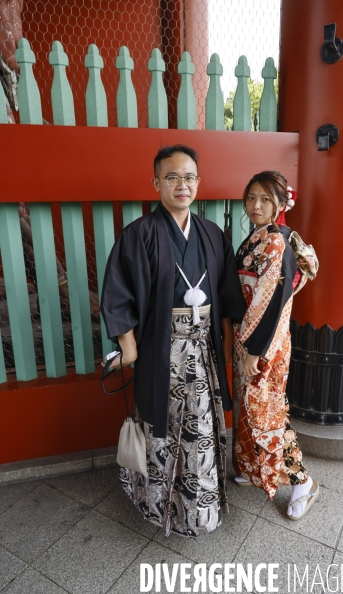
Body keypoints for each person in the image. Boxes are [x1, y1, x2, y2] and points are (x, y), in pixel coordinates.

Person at [100, 144, 246, 538]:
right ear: (156, 183)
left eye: (190, 177)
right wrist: (129, 348)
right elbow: (118, 294)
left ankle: (200, 511)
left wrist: (233, 352)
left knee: (200, 433)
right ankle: (161, 507)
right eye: (172, 177)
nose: (183, 185)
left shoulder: (213, 235)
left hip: (204, 351)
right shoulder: (139, 234)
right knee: (160, 430)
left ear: (199, 182)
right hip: (162, 351)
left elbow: (229, 300)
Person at [232, 170, 319, 521]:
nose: (256, 205)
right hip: (252, 340)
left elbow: (273, 298)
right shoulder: (257, 237)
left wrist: (255, 349)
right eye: (251, 197)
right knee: (251, 408)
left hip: (264, 344)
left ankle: (302, 481)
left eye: (265, 199)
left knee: (267, 413)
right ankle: (252, 468)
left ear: (281, 204)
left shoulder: (277, 242)